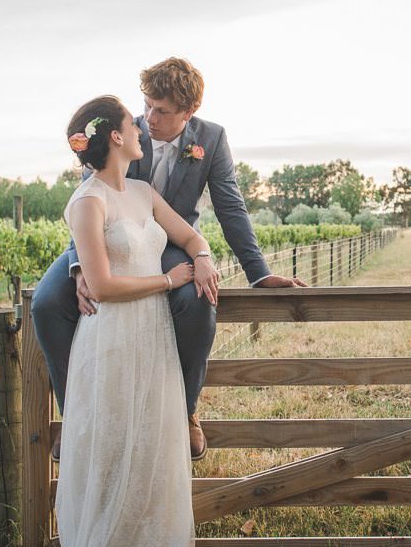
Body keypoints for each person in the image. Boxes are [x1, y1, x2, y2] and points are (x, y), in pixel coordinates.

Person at [33, 57, 306, 462]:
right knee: (46, 304)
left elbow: (231, 207)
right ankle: (75, 414)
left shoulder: (211, 139)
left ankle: (186, 410)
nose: (148, 117)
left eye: (160, 110)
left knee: (197, 301)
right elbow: (86, 200)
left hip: (167, 240)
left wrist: (256, 273)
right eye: (146, 105)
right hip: (106, 239)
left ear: (188, 112)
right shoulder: (120, 131)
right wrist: (79, 269)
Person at [40, 94, 208, 547]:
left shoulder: (141, 191)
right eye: (131, 126)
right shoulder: (87, 203)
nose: (140, 129)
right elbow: (105, 286)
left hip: (152, 338)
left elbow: (186, 233)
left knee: (151, 448)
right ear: (115, 137)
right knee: (114, 447)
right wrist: (168, 279)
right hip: (111, 340)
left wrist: (200, 258)